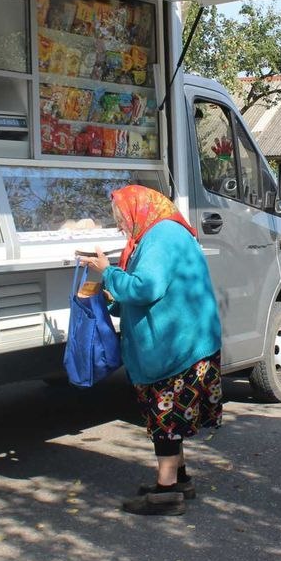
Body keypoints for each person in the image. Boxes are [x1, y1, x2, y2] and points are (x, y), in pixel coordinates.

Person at [79, 185, 222, 516]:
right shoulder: (168, 231)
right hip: (188, 341)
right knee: (175, 417)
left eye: (121, 219)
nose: (120, 227)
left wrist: (108, 272)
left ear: (137, 210)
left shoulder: (160, 238)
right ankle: (180, 479)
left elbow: (147, 287)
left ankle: (166, 492)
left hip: (176, 348)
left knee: (166, 419)